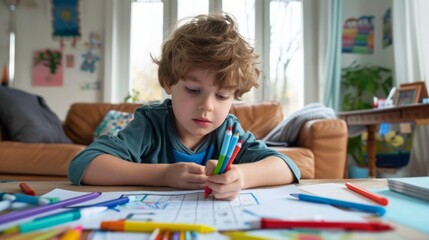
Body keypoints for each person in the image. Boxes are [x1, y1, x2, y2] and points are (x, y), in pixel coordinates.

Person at [68, 13, 300, 200]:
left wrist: (242, 176)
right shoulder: (151, 124)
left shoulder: (228, 131)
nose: (207, 106)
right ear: (169, 83)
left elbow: (288, 167)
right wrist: (164, 175)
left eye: (221, 95)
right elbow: (83, 164)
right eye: (193, 90)